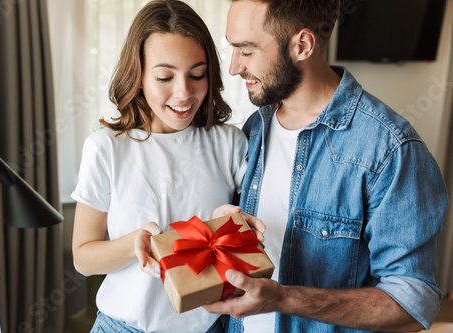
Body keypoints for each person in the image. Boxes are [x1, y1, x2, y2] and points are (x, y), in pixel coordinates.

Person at [204, 0, 449, 332]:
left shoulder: (391, 149)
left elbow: (412, 304)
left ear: (302, 45)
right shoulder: (254, 128)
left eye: (246, 51)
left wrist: (282, 299)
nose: (233, 67)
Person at [71, 1, 249, 332]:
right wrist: (135, 243)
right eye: (165, 76)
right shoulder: (106, 149)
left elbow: (256, 231)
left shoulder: (230, 144)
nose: (184, 92)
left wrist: (234, 226)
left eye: (197, 74)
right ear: (138, 75)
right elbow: (82, 258)